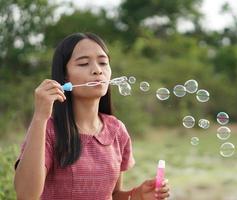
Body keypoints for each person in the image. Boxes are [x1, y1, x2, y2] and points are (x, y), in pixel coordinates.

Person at [14, 32, 170, 200]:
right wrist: (39, 117)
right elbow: (26, 195)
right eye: (83, 64)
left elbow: (113, 195)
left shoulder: (116, 130)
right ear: (65, 76)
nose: (97, 70)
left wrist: (137, 195)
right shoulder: (49, 130)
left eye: (103, 63)